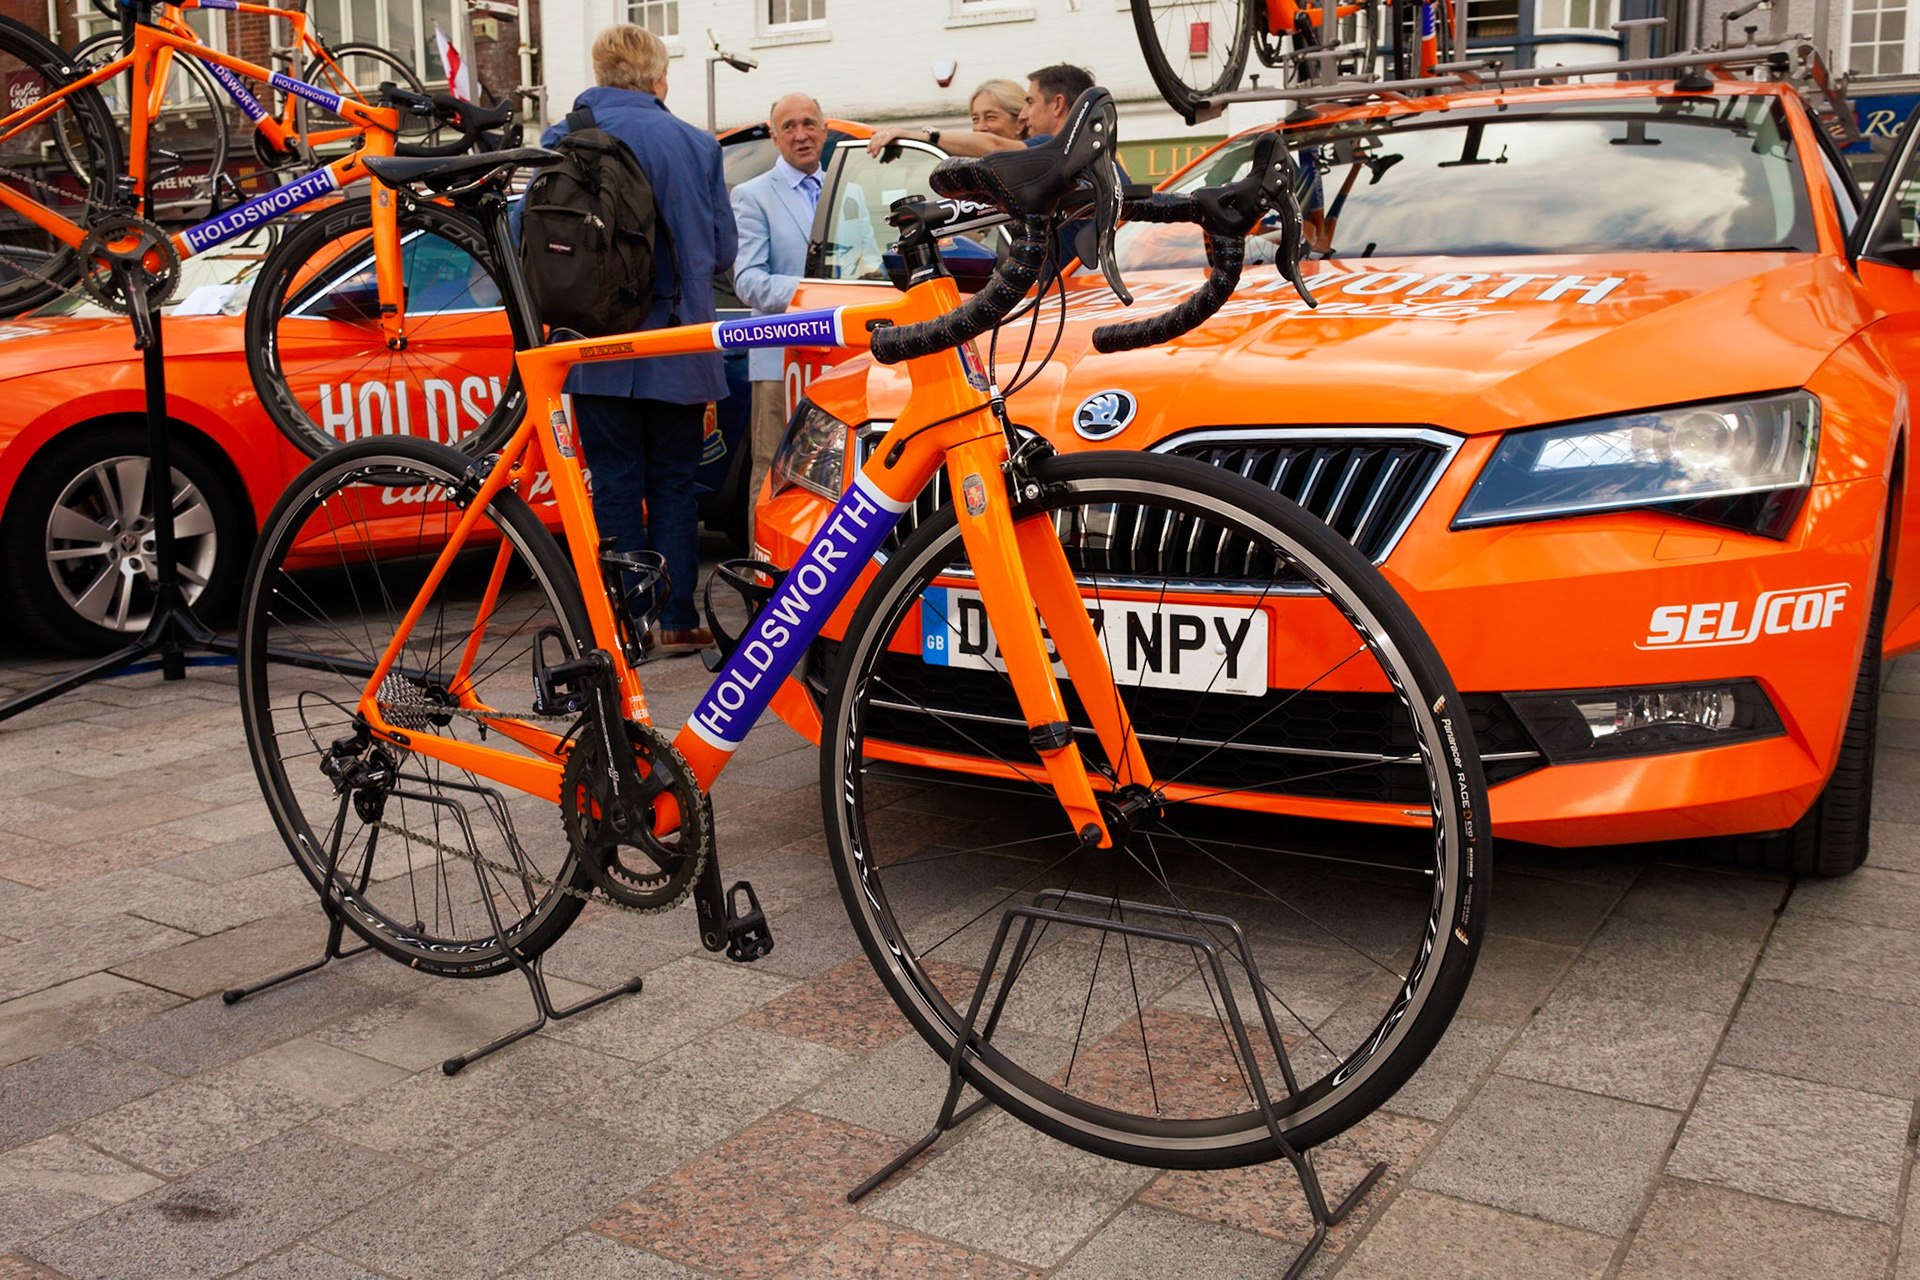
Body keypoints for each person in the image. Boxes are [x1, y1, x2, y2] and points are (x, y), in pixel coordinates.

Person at [541, 24, 736, 655]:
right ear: (659, 78)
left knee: (615, 481)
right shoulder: (696, 144)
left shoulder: (561, 139)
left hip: (592, 343)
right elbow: (722, 252)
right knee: (675, 482)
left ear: (600, 71)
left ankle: (629, 622)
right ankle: (676, 617)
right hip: (677, 342)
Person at [731, 92, 828, 544]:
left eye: (808, 123)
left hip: (837, 358)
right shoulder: (752, 195)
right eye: (788, 126)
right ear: (774, 137)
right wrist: (813, 294)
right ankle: (761, 578)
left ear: (824, 129)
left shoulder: (841, 191)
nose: (800, 134)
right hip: (780, 364)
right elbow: (748, 281)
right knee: (774, 472)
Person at [866, 64, 1095, 158]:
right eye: (975, 118)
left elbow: (994, 146)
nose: (1025, 115)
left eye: (1031, 102)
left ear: (1057, 104)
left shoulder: (1053, 149)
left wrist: (922, 137)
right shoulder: (1090, 155)